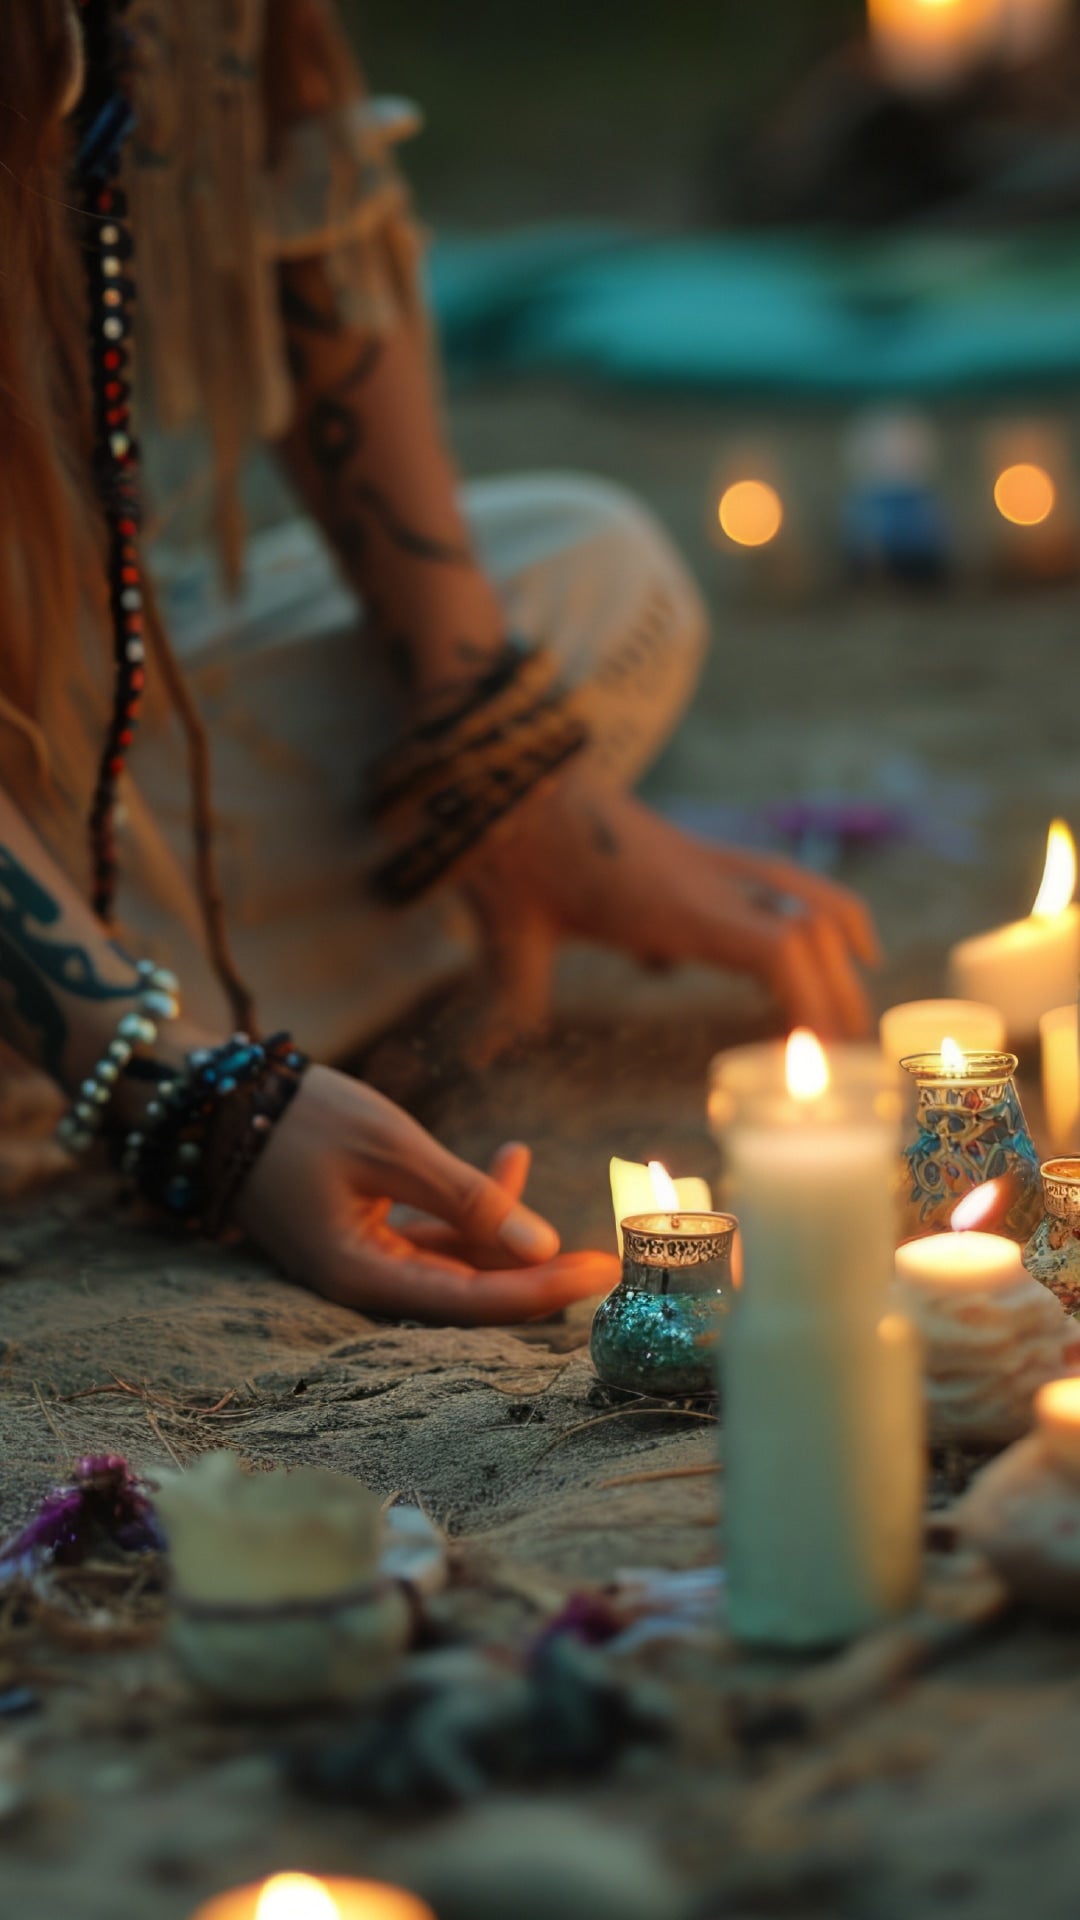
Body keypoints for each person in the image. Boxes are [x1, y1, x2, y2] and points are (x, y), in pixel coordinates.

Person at [0, 0, 879, 1326]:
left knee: (594, 585)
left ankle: (128, 1017)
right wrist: (184, 1097)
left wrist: (516, 783)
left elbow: (298, 202)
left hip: (79, 731)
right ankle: (103, 1042)